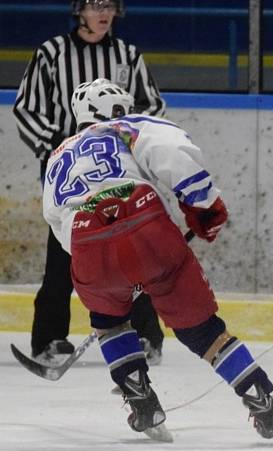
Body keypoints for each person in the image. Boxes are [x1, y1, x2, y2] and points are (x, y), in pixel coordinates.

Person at [40, 78, 273, 440]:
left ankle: (144, 406)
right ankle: (265, 405)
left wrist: (105, 264)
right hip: (144, 219)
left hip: (85, 237)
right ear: (117, 108)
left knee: (109, 321)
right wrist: (202, 205)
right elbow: (173, 151)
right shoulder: (127, 126)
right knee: (203, 330)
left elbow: (55, 216)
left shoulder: (58, 156)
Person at [13, 0, 166, 364]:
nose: (104, 12)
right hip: (71, 173)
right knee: (65, 249)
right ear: (79, 10)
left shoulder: (127, 55)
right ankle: (50, 337)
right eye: (96, 5)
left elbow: (153, 107)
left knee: (133, 247)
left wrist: (129, 142)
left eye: (110, 5)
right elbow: (27, 108)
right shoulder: (52, 53)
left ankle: (146, 333)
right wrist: (60, 147)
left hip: (118, 169)